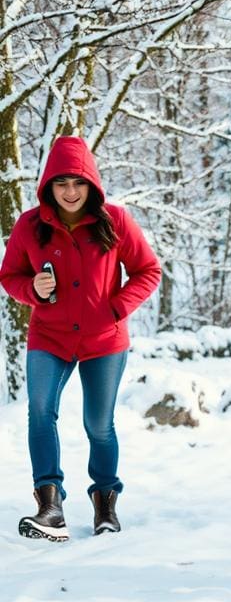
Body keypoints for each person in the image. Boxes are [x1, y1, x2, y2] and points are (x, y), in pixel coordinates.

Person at [0, 136, 161, 541]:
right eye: (61, 183)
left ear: (91, 184)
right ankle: (49, 505)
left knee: (98, 424)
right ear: (48, 186)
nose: (70, 192)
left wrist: (115, 308)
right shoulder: (29, 226)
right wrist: (32, 289)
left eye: (78, 183)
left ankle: (105, 503)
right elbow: (9, 276)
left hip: (103, 340)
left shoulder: (116, 221)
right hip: (49, 337)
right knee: (40, 412)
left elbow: (148, 271)